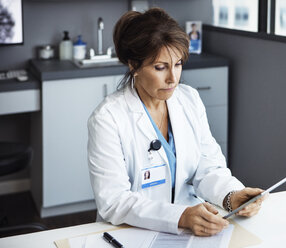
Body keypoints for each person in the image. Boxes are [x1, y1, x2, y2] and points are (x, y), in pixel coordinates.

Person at [88, 7, 265, 237]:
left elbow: (208, 167)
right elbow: (114, 201)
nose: (173, 78)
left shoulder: (189, 99)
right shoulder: (108, 119)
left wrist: (232, 196)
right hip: (132, 233)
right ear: (134, 65)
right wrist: (180, 217)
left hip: (190, 231)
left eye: (178, 64)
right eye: (160, 67)